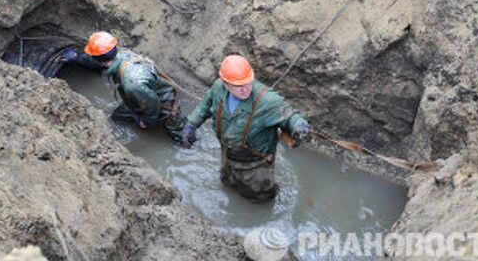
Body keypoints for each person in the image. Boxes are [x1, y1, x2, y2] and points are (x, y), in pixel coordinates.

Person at [180, 55, 311, 201]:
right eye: (239, 86)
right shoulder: (218, 88)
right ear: (226, 83)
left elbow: (289, 115)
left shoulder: (266, 101)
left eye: (248, 83)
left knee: (260, 198)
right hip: (228, 155)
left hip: (256, 164)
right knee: (228, 185)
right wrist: (191, 124)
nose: (245, 89)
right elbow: (204, 106)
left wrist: (300, 126)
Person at [61, 31, 186, 140]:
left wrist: (146, 121)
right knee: (118, 117)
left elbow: (152, 103)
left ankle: (186, 139)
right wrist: (77, 58)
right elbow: (96, 62)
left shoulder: (132, 82)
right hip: (137, 98)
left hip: (163, 103)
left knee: (178, 131)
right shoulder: (116, 53)